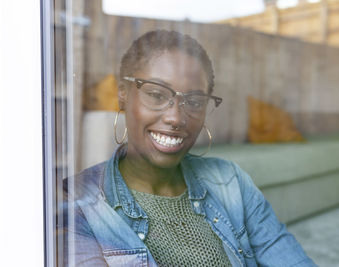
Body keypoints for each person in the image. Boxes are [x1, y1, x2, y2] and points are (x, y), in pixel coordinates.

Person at [62, 30, 317, 266]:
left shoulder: (230, 181)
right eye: (156, 95)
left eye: (194, 101)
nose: (176, 118)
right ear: (123, 95)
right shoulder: (78, 204)